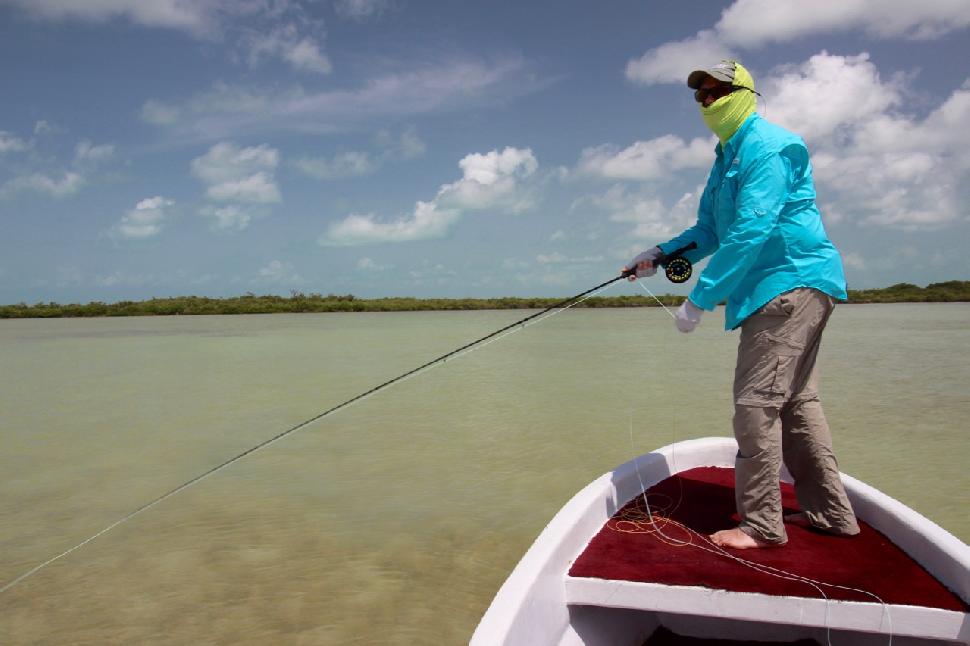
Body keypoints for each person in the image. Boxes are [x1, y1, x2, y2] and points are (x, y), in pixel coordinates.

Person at [624, 60, 860, 549]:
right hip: (780, 287)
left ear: (745, 94)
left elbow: (752, 229)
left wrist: (701, 298)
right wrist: (659, 254)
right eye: (700, 96)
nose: (708, 102)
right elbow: (711, 231)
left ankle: (761, 525)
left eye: (718, 92)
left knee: (756, 406)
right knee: (796, 404)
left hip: (789, 284)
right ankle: (830, 513)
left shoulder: (769, 147)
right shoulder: (726, 155)